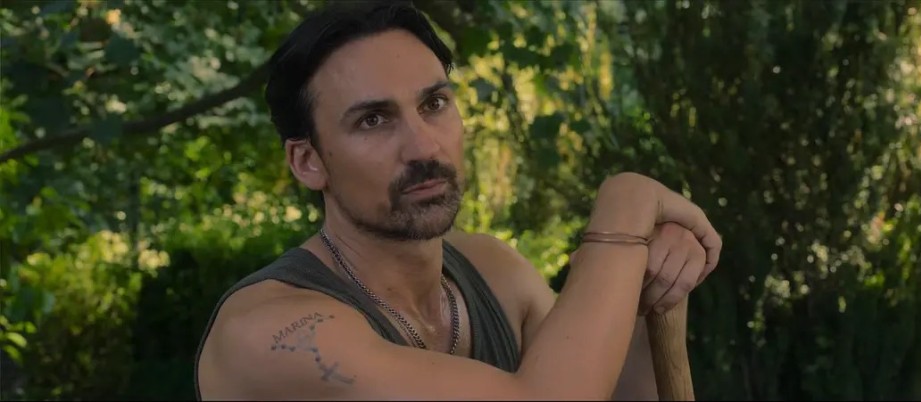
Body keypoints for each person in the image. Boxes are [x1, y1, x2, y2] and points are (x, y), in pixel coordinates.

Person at [194, 1, 722, 400]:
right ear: (308, 161)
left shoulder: (496, 273)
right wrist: (626, 204)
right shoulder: (272, 333)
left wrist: (650, 283)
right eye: (373, 120)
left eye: (434, 103)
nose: (424, 147)